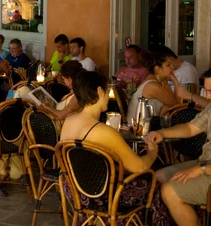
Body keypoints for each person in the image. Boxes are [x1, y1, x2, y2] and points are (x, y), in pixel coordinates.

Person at [61, 71, 173, 225]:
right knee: (158, 186)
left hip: (75, 191)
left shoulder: (69, 120)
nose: (109, 95)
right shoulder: (103, 131)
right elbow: (139, 167)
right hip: (103, 196)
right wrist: (153, 152)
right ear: (99, 91)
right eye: (108, 91)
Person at [146, 72, 211, 226]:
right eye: (206, 91)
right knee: (160, 176)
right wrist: (161, 133)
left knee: (170, 191)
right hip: (205, 162)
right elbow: (190, 128)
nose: (208, 97)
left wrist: (199, 170)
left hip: (207, 168)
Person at [126, 51, 179, 122]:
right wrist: (175, 82)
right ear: (158, 69)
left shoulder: (160, 81)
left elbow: (173, 103)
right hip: (138, 127)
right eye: (168, 65)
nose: (172, 68)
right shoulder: (152, 86)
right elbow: (176, 105)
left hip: (149, 124)